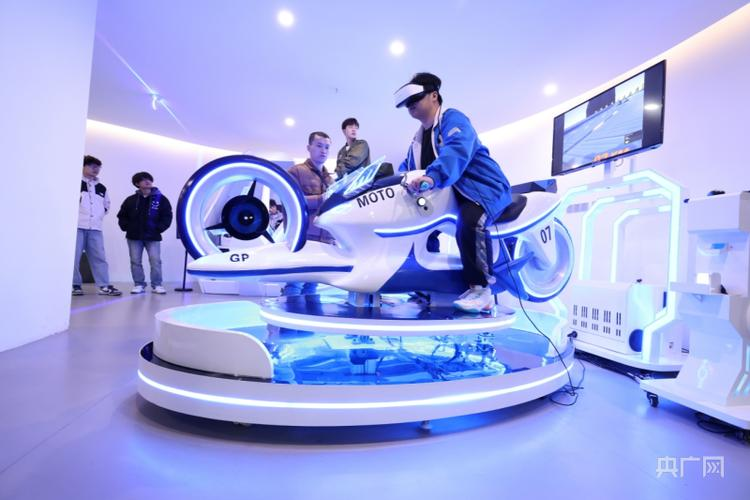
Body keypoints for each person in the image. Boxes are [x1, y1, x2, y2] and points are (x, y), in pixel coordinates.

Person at [394, 72, 512, 313]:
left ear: (434, 95)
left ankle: (481, 290)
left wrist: (433, 176)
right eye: (407, 103)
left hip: (482, 189)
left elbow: (457, 150)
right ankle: (425, 286)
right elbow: (407, 168)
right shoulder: (417, 140)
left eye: (415, 98)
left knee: (470, 221)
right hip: (450, 197)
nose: (410, 105)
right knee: (421, 230)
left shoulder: (452, 118)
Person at [284, 131, 334, 296]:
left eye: (327, 147)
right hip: (304, 238)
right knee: (295, 283)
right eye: (319, 146)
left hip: (325, 240)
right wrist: (321, 199)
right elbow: (291, 201)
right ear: (309, 147)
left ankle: (306, 312)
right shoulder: (296, 171)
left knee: (312, 286)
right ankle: (288, 313)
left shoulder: (330, 179)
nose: (323, 150)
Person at [72, 156, 122, 296]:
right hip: (77, 227)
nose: (96, 169)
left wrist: (98, 216)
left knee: (99, 257)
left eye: (98, 167)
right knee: (74, 257)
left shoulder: (101, 187)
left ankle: (104, 286)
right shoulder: (74, 182)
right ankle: (75, 285)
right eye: (92, 166)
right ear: (83, 166)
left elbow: (106, 205)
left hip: (95, 228)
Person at [116, 172, 173, 294]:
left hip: (153, 236)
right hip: (134, 237)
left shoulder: (161, 199)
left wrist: (159, 228)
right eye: (143, 180)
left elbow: (167, 216)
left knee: (155, 261)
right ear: (137, 184)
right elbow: (122, 215)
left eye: (149, 179)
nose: (147, 181)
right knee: (135, 261)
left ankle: (157, 285)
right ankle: (139, 284)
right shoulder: (130, 200)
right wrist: (126, 227)